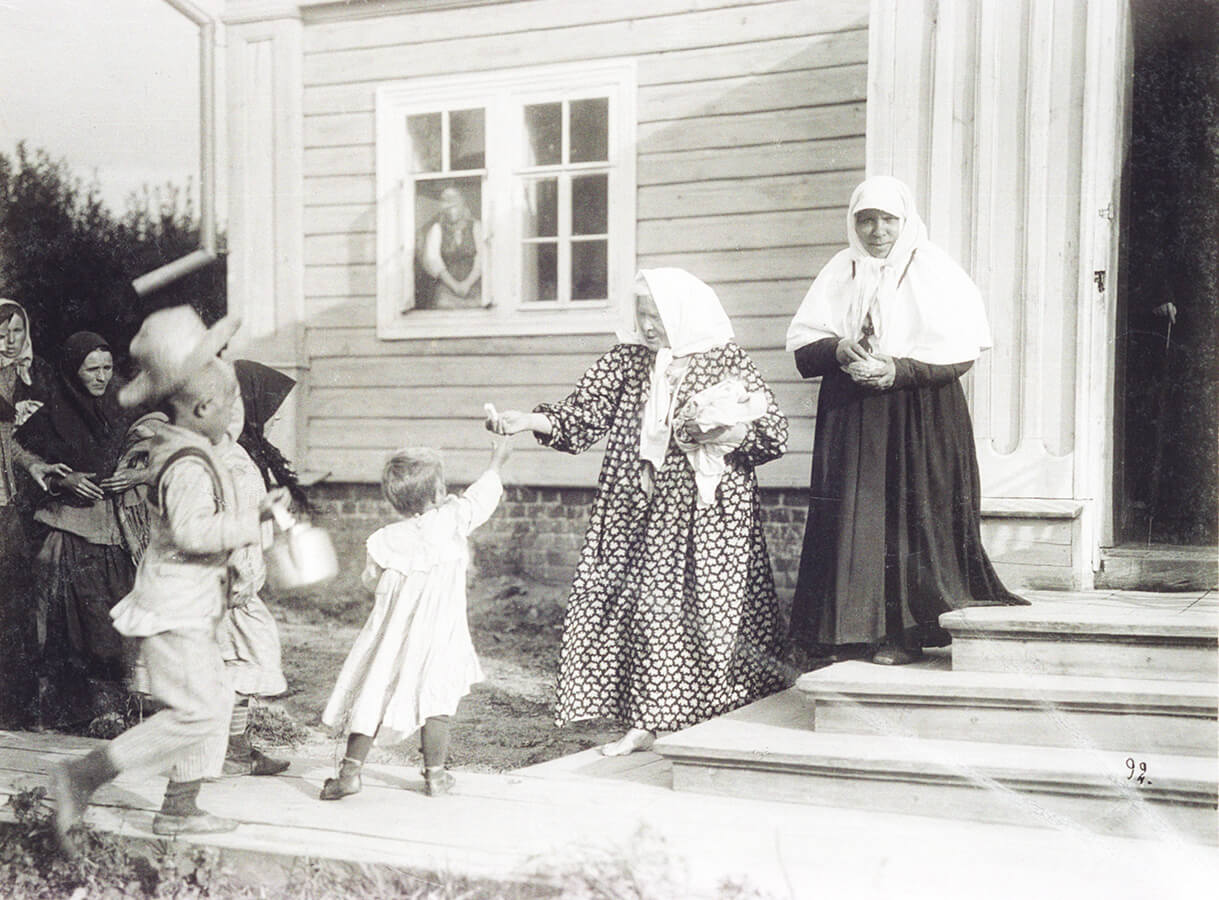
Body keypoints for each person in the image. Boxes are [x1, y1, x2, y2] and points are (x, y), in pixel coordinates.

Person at [488, 268, 788, 756]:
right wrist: (528, 421)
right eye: (642, 314)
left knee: (711, 612)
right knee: (650, 612)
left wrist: (724, 434)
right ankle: (648, 720)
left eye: (658, 315)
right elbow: (580, 417)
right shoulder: (629, 362)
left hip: (709, 516)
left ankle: (718, 714)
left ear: (684, 314)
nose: (648, 326)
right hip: (640, 509)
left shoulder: (726, 362)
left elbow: (774, 434)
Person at [51, 306, 285, 851]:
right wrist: (255, 521)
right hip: (174, 605)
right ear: (204, 407)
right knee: (194, 711)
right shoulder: (184, 462)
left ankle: (180, 809)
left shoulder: (195, 447)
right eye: (230, 404)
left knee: (216, 701)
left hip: (194, 603)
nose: (235, 412)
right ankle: (83, 775)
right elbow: (193, 532)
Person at [785, 176, 1026, 667]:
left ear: (905, 220)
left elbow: (960, 353)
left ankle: (908, 633)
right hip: (854, 414)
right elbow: (804, 352)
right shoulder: (840, 269)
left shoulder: (935, 269)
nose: (876, 231)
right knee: (858, 517)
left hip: (920, 412)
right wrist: (837, 347)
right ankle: (851, 633)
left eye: (887, 219)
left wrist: (901, 369)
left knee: (910, 516)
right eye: (866, 219)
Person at [319, 437, 511, 800]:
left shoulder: (384, 539)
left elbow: (370, 582)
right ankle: (435, 777)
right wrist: (496, 461)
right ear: (439, 492)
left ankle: (349, 774)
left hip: (392, 639)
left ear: (395, 500)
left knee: (373, 694)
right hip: (439, 636)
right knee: (436, 702)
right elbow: (481, 498)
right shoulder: (453, 521)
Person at [15, 332, 141, 728]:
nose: (102, 377)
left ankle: (112, 708)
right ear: (74, 370)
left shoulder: (123, 404)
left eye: (107, 368)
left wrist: (135, 471)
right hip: (67, 529)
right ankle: (73, 709)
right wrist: (61, 482)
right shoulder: (53, 409)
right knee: (70, 622)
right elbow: (21, 454)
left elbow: (150, 447)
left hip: (114, 528)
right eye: (92, 369)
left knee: (114, 614)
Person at [217, 366, 291, 777]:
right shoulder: (232, 462)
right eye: (272, 410)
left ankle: (234, 745)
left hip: (240, 580)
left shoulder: (245, 456)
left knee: (238, 663)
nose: (277, 419)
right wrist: (242, 572)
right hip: (232, 584)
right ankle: (228, 747)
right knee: (246, 658)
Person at [0, 299, 59, 726]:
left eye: (16, 331)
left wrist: (33, 463)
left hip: (10, 498)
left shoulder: (26, 377)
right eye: (0, 331)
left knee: (17, 595)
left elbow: (11, 443)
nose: (8, 340)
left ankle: (15, 708)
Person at [232, 358, 311, 512]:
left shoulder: (252, 456)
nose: (277, 417)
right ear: (251, 408)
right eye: (269, 407)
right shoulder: (236, 463)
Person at [419, 186, 485, 309]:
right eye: (446, 203)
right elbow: (433, 260)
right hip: (446, 289)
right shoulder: (437, 229)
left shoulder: (475, 227)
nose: (451, 208)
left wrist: (467, 284)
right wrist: (455, 286)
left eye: (454, 203)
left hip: (473, 286)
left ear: (463, 204)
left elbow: (482, 258)